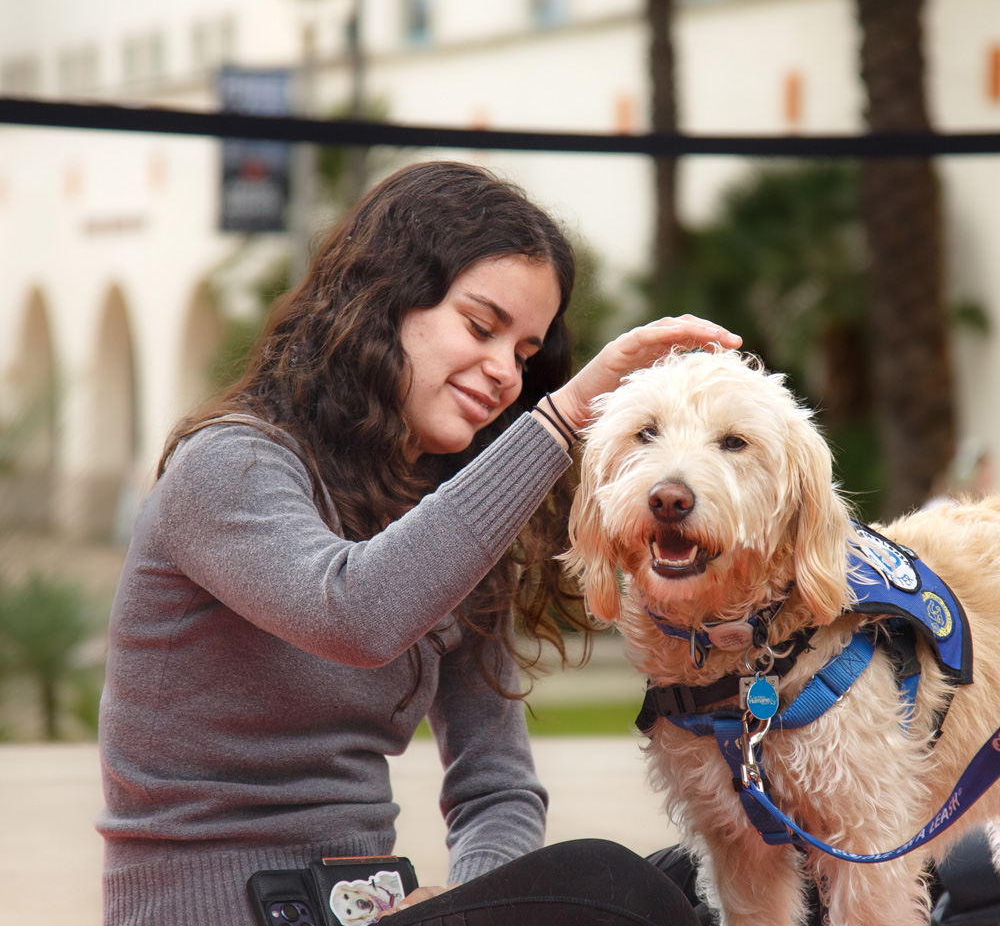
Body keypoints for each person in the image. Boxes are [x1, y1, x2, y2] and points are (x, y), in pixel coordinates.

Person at [96, 160, 741, 925]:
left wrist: (470, 899)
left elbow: (496, 785)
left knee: (709, 874)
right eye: (481, 326)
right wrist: (561, 416)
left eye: (528, 355)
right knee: (606, 885)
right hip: (219, 913)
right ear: (385, 301)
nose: (506, 372)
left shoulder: (448, 517)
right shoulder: (230, 465)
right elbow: (357, 612)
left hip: (364, 910)